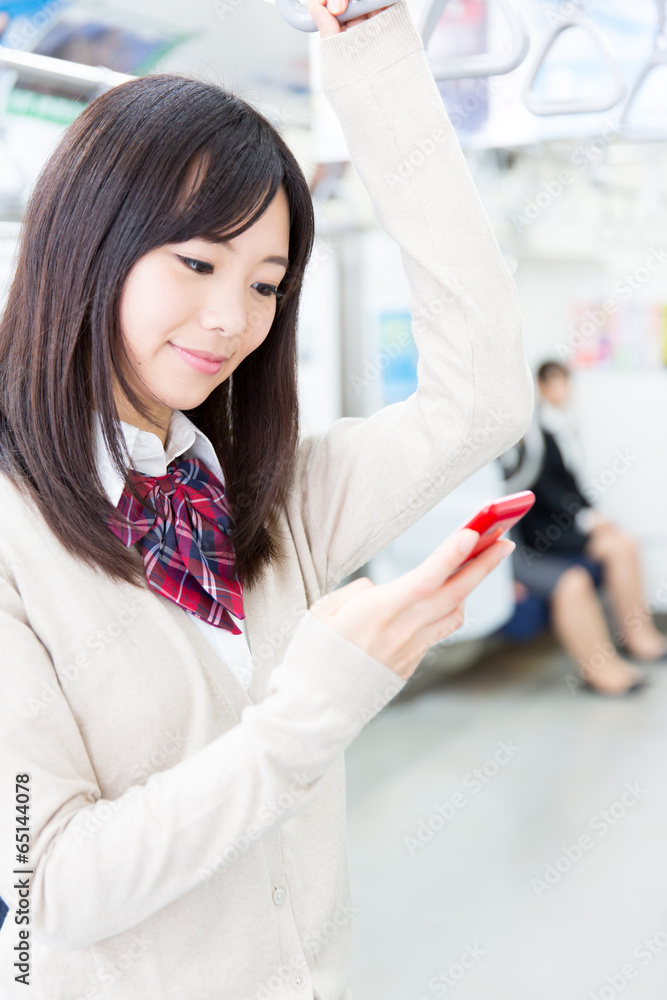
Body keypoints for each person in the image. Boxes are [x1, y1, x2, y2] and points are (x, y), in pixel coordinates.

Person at [0, 2, 533, 996]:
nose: (230, 317)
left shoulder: (263, 499)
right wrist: (315, 703)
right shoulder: (15, 532)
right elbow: (52, 891)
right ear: (88, 245)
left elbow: (482, 396)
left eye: (266, 283)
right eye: (197, 263)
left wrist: (372, 57)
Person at [499, 360, 666, 696]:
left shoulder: (546, 434)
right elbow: (545, 494)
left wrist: (591, 515)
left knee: (622, 543)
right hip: (540, 536)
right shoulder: (527, 442)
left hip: (544, 531)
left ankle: (638, 638)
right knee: (589, 568)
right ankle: (607, 665)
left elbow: (569, 487)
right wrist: (585, 520)